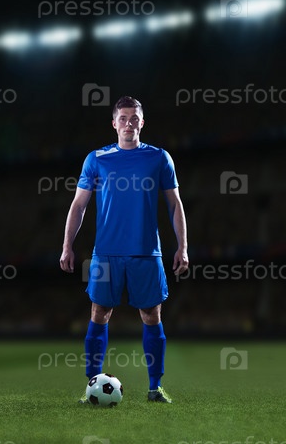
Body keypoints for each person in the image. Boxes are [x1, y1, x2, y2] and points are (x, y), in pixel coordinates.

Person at [59, 95, 189, 403]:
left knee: (152, 314)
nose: (129, 124)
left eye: (134, 119)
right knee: (99, 312)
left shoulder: (159, 158)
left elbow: (175, 204)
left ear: (142, 123)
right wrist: (67, 246)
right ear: (114, 123)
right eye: (123, 118)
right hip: (106, 253)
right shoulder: (97, 159)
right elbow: (78, 205)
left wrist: (182, 247)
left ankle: (155, 387)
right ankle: (91, 386)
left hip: (146, 251)